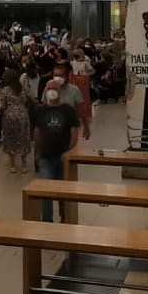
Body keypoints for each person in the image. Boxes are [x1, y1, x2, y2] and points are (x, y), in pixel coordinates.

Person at [32, 86, 82, 222]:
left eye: (54, 88)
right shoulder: (40, 110)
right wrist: (37, 152)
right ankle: (47, 220)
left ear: (59, 92)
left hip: (63, 157)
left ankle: (65, 218)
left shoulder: (68, 110)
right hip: (45, 157)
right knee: (46, 190)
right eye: (48, 88)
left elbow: (74, 132)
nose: (51, 90)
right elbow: (37, 132)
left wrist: (69, 151)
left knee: (63, 191)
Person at [0, 71, 34, 174]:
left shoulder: (5, 90)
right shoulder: (23, 89)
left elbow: (3, 106)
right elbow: (30, 100)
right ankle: (24, 165)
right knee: (23, 139)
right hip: (23, 115)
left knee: (10, 139)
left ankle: (13, 165)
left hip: (10, 116)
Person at [70, 50, 96, 141]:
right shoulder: (72, 63)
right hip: (74, 80)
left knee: (84, 97)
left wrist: (87, 75)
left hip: (83, 81)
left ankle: (85, 113)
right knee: (75, 96)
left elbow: (93, 71)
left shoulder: (85, 63)